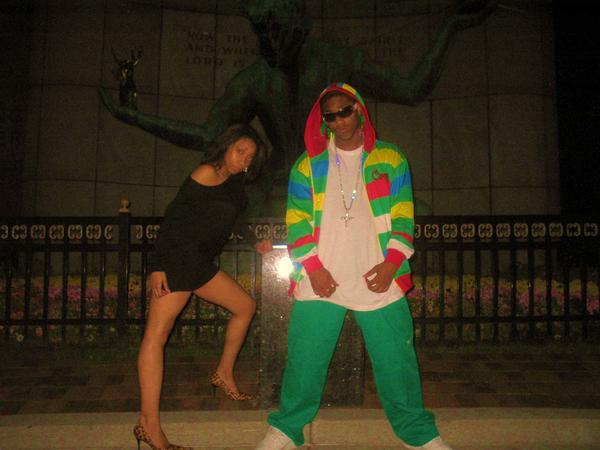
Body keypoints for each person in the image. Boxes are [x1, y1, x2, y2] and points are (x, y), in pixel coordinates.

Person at [255, 83, 450, 450]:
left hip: (378, 275)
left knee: (396, 360)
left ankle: (417, 433)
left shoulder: (390, 158)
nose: (339, 120)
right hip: (320, 278)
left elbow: (403, 215)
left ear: (359, 110)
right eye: (330, 115)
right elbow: (297, 221)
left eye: (345, 111)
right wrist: (313, 267)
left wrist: (392, 263)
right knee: (305, 359)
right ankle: (287, 428)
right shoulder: (308, 165)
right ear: (323, 121)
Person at [134, 124, 273, 450]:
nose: (244, 160)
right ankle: (148, 425)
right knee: (156, 336)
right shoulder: (206, 173)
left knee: (245, 306)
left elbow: (236, 221)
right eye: (240, 151)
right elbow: (173, 219)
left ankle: (224, 373)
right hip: (177, 262)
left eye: (250, 156)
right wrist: (158, 267)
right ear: (226, 146)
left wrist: (255, 242)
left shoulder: (234, 184)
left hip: (199, 265)